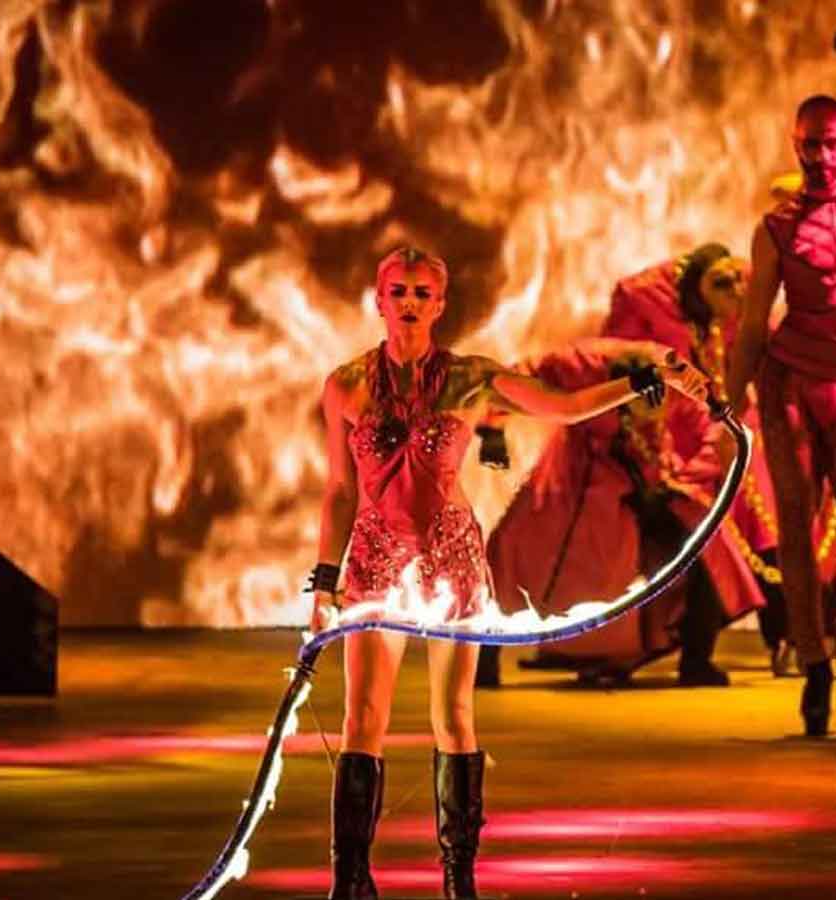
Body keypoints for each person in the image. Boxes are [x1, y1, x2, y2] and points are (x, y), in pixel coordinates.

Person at [309, 246, 706, 900]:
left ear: (439, 304)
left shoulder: (470, 380)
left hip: (450, 559)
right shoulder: (345, 385)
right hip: (375, 560)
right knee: (362, 721)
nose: (408, 302)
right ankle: (351, 879)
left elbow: (563, 406)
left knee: (456, 716)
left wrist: (639, 379)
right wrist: (326, 577)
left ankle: (458, 878)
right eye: (397, 290)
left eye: (421, 292)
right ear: (378, 300)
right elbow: (337, 490)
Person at [481, 244, 781, 688]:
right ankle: (492, 664)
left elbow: (712, 431)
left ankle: (692, 660)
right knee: (510, 554)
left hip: (657, 477)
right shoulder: (585, 363)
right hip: (580, 476)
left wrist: (681, 482)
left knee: (707, 552)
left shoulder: (678, 376)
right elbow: (516, 378)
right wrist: (492, 429)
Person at [727, 94, 836, 738]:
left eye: (829, 142)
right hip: (791, 382)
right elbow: (751, 324)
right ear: (793, 147)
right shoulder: (775, 227)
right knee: (794, 528)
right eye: (808, 144)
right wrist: (726, 396)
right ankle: (816, 665)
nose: (820, 156)